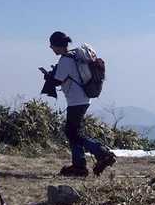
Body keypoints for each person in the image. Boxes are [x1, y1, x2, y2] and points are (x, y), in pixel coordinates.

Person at [42, 31, 116, 178]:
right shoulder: (75, 55)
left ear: (57, 45)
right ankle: (79, 166)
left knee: (73, 133)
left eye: (52, 46)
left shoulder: (65, 60)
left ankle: (101, 153)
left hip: (76, 100)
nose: (52, 49)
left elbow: (57, 80)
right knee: (74, 132)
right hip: (83, 98)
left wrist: (47, 76)